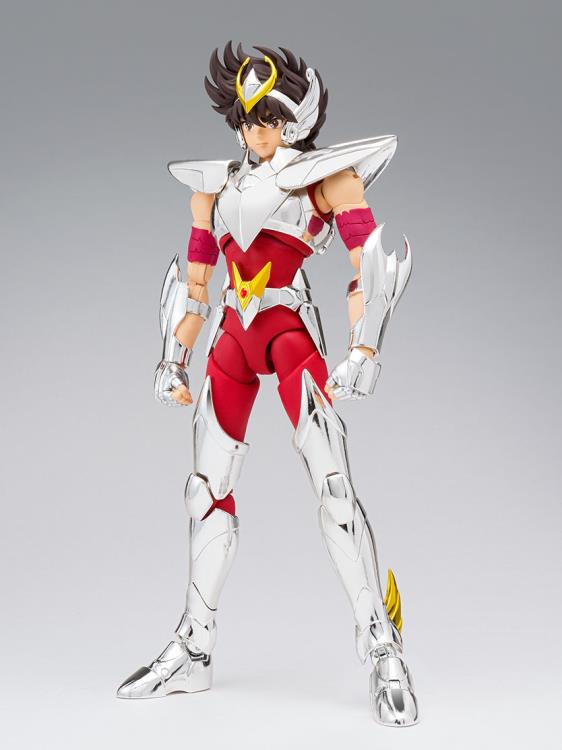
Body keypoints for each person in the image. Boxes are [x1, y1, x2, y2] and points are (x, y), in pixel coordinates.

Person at [117, 42, 419, 727]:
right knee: (205, 493)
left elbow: (365, 261)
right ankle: (194, 648)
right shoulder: (212, 189)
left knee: (335, 489)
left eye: (270, 119)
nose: (257, 132)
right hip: (232, 339)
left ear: (294, 120)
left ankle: (382, 648)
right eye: (248, 119)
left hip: (289, 335)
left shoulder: (324, 181)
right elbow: (197, 284)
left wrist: (365, 345)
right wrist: (173, 357)